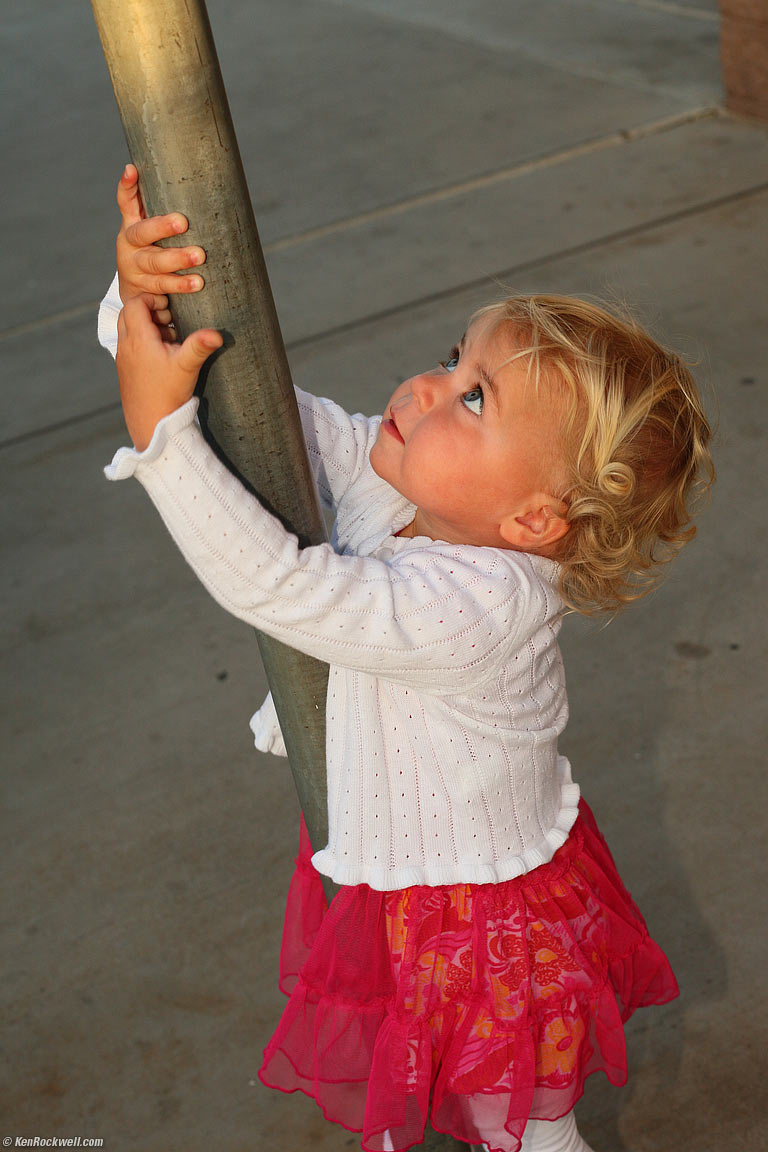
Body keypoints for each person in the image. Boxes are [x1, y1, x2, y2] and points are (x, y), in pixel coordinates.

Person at [98, 165, 714, 1152]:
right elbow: (260, 411)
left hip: (487, 919)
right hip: (396, 871)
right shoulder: (409, 481)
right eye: (452, 359)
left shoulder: (486, 603)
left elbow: (283, 587)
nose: (429, 386)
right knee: (403, 1069)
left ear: (531, 519)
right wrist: (147, 308)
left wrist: (157, 439)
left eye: (473, 401)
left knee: (511, 1117)